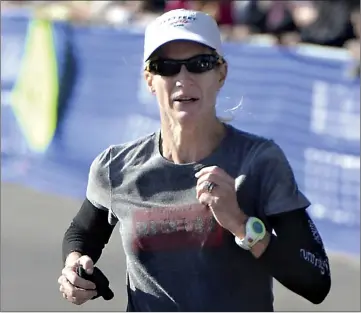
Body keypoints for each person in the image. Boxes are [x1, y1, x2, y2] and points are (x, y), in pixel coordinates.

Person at [58, 8, 331, 312]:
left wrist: (241, 225)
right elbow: (82, 234)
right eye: (167, 67)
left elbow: (316, 280)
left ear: (221, 74)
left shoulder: (259, 161)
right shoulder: (116, 167)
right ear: (150, 79)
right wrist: (75, 268)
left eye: (199, 64)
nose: (183, 78)